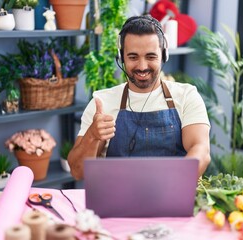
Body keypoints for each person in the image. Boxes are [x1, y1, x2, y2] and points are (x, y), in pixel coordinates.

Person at [68, 15, 211, 180]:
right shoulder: (102, 103)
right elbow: (78, 172)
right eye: (133, 57)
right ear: (121, 57)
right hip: (117, 201)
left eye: (150, 57)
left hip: (173, 196)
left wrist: (172, 186)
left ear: (164, 55)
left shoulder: (186, 96)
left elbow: (201, 150)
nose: (142, 66)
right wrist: (92, 135)